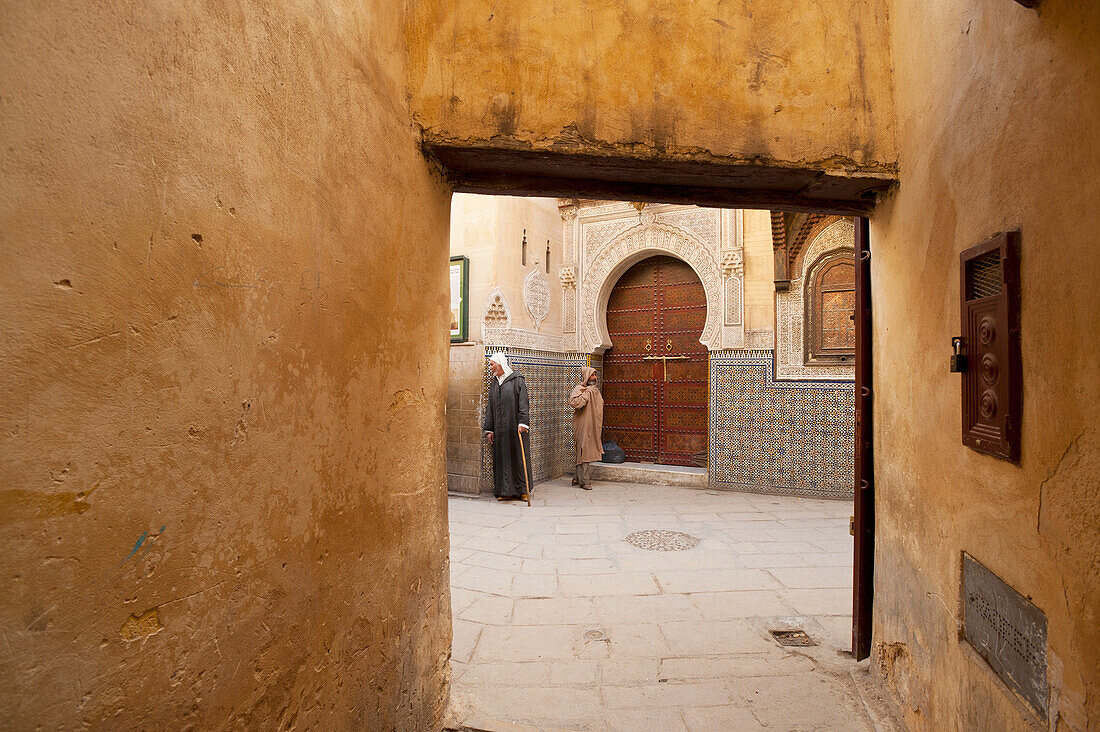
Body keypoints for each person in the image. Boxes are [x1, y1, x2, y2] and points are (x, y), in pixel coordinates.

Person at [483, 353, 533, 502]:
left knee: (518, 457)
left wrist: (523, 423)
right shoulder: (494, 382)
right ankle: (505, 491)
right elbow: (490, 408)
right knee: (503, 458)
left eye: (492, 364)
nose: (490, 368)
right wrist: (489, 429)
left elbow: (524, 404)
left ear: (500, 364)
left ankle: (523, 491)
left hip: (516, 429)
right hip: (500, 430)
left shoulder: (517, 381)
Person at [569, 366, 604, 490]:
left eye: (595, 375)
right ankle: (585, 481)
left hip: (592, 425)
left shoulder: (595, 390)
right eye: (592, 375)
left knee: (585, 451)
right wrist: (587, 393)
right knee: (584, 450)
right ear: (586, 376)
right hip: (582, 425)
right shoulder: (580, 389)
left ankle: (577, 478)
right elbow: (575, 403)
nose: (594, 378)